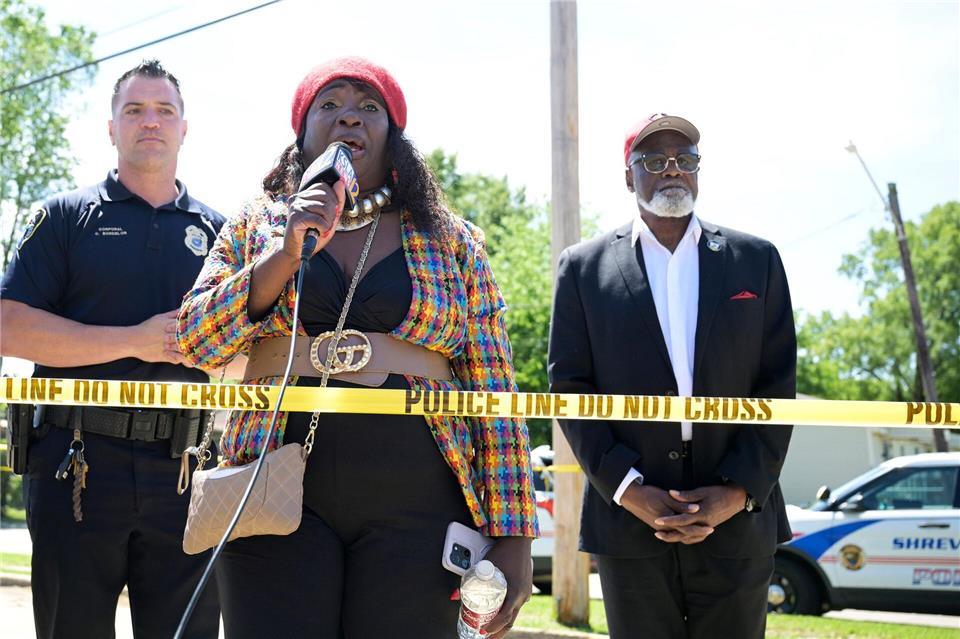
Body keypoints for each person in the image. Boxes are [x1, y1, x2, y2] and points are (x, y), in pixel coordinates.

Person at [176, 56, 539, 639]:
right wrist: (287, 250)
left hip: (420, 506)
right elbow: (194, 339)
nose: (350, 118)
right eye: (331, 105)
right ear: (303, 133)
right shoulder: (256, 225)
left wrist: (515, 532)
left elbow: (493, 390)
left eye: (369, 108)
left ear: (393, 137)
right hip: (270, 493)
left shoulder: (453, 240)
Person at [548, 113, 796, 639]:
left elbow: (778, 389)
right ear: (627, 175)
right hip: (629, 522)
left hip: (737, 520)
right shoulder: (583, 268)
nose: (672, 171)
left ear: (698, 171)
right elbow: (570, 389)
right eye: (654, 161)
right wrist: (628, 487)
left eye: (685, 160)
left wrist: (736, 491)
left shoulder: (757, 261)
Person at [0, 60, 224, 638]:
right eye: (134, 110)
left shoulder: (224, 235)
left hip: (187, 471)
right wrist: (136, 340)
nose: (151, 121)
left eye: (164, 110)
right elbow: (9, 325)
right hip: (75, 464)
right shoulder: (62, 217)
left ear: (184, 128)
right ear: (111, 128)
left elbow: (248, 356)